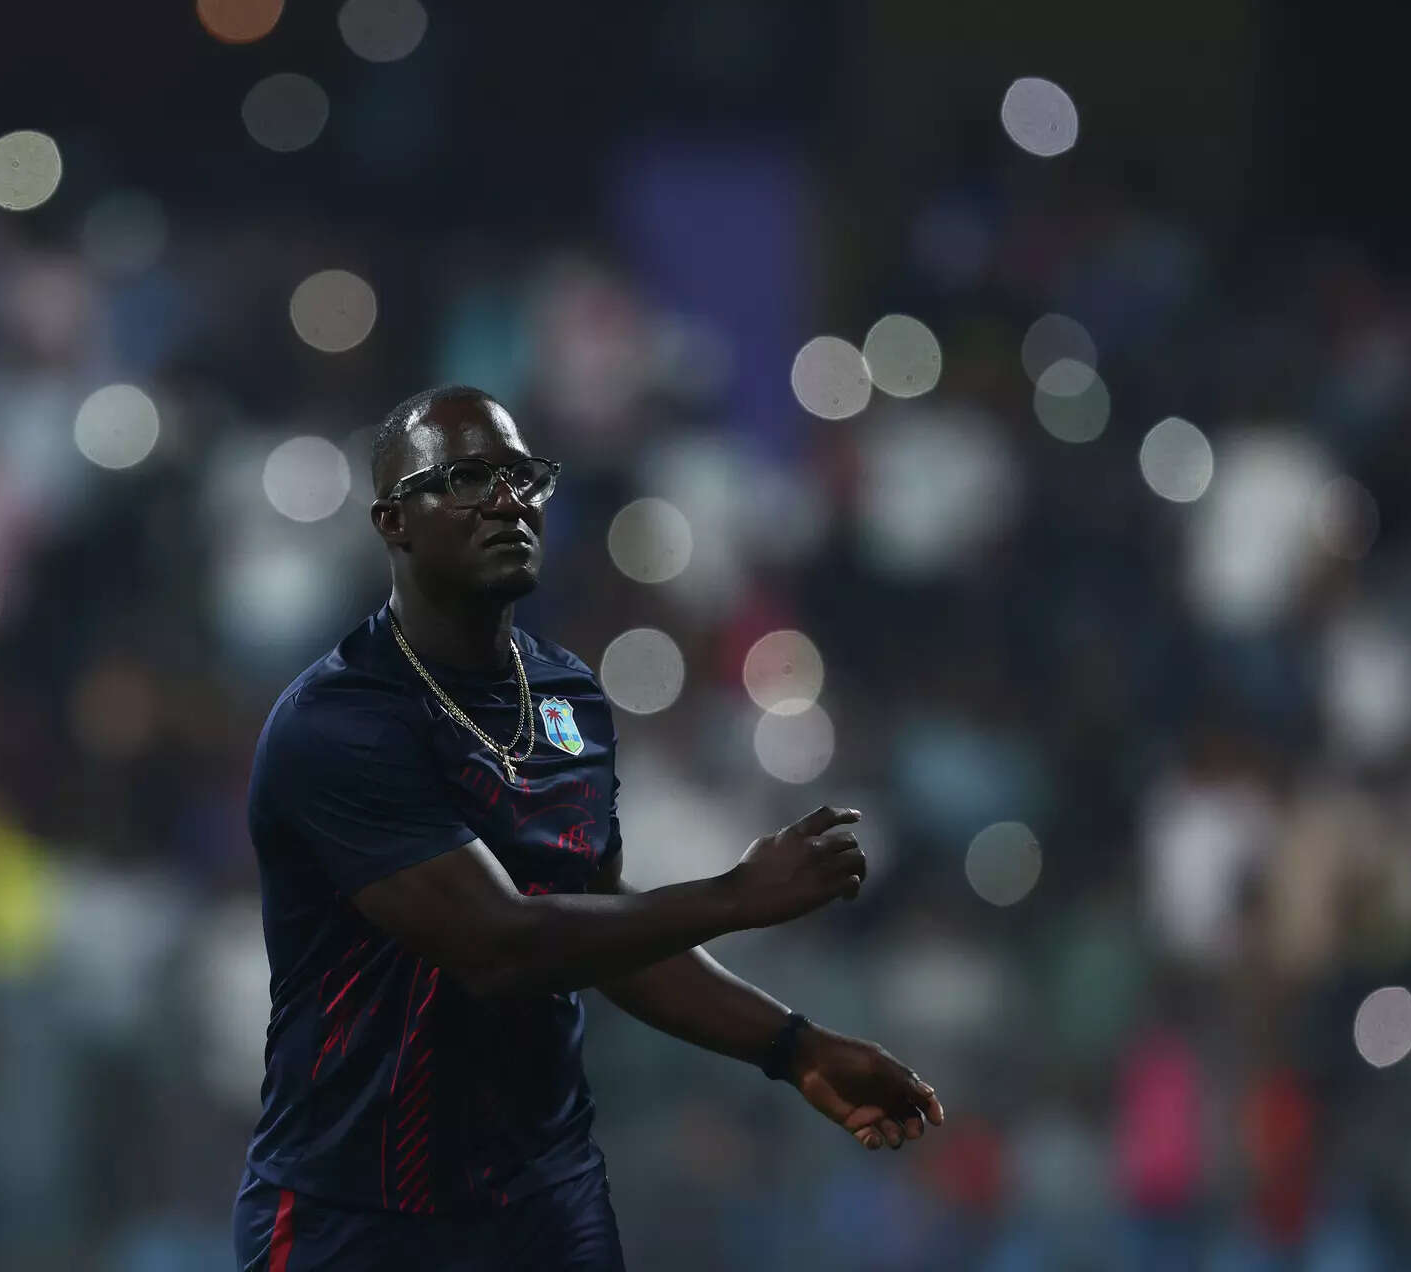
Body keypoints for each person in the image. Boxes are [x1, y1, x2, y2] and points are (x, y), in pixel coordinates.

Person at [232, 385, 943, 1270]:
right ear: (393, 522)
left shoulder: (570, 697)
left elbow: (606, 927)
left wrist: (792, 1046)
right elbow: (499, 944)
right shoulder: (341, 722)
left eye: (521, 476)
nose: (507, 500)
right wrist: (735, 897)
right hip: (356, 1210)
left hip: (543, 1199)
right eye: (465, 478)